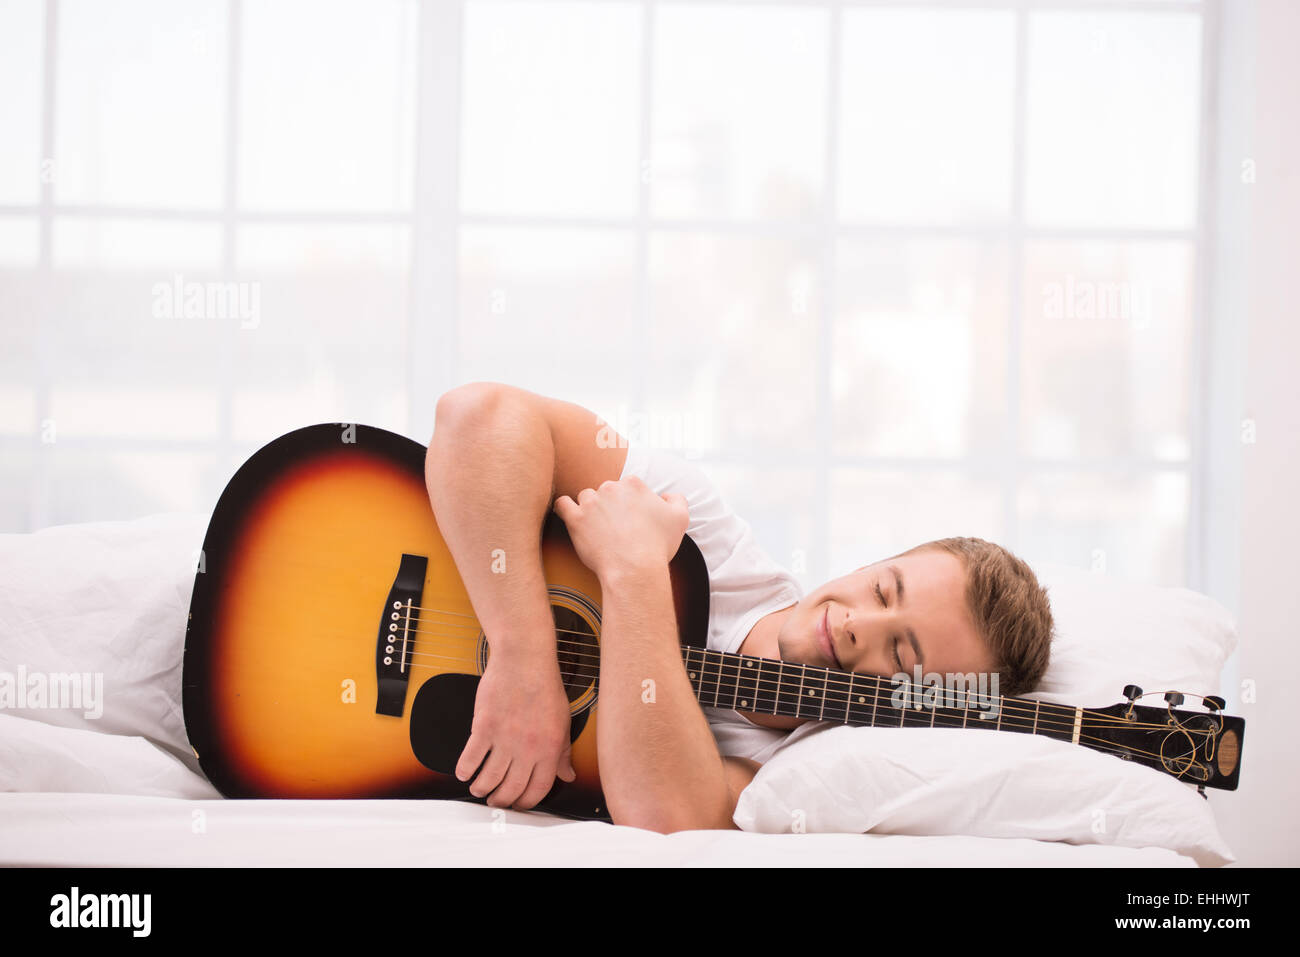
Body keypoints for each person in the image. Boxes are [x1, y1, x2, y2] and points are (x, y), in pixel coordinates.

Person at [425, 381, 1055, 833]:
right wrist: (523, 658)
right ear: (871, 562)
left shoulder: (799, 771)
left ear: (914, 710)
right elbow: (477, 417)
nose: (859, 623)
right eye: (884, 591)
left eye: (902, 653)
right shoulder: (702, 531)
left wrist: (635, 572)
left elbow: (664, 816)